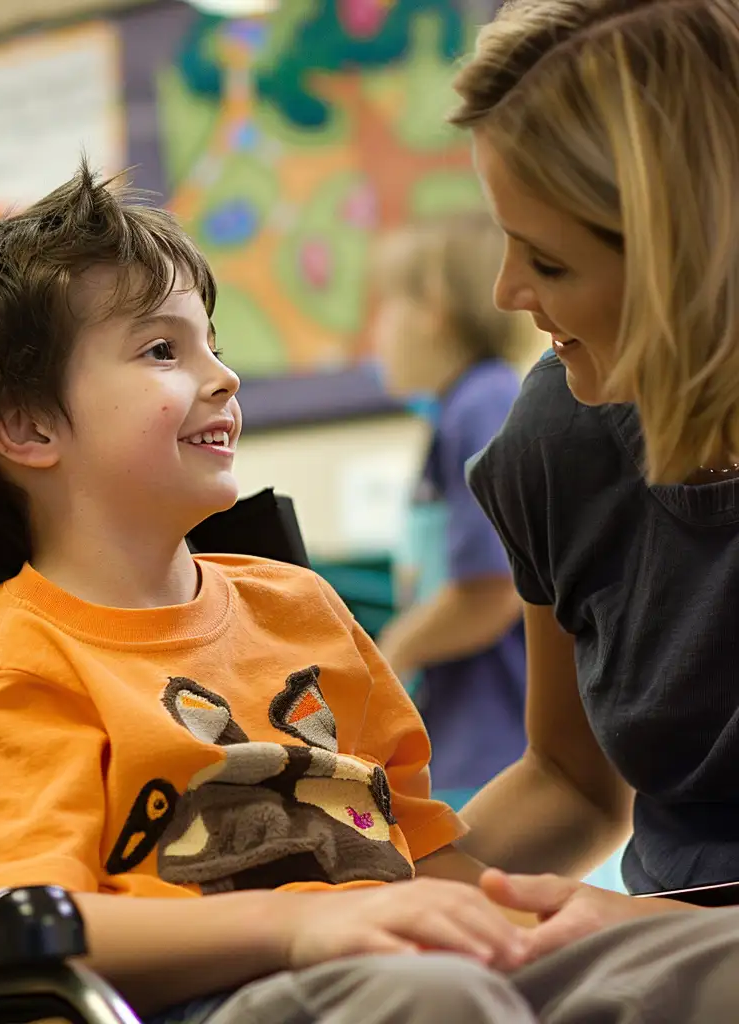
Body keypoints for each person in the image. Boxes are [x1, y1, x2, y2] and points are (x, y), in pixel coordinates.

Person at [0, 161, 545, 1022]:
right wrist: (295, 930)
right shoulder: (16, 664)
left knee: (672, 964)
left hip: (397, 967)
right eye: (162, 349)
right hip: (212, 997)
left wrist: (544, 928)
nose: (224, 376)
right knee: (440, 998)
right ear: (28, 426)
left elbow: (423, 855)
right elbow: (16, 927)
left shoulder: (303, 608)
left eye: (214, 342)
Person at [436, 0, 739, 960]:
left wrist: (659, 928)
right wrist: (391, 898)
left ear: (685, 258)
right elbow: (570, 778)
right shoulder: (555, 442)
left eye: (551, 261)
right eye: (507, 241)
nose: (506, 294)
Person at [371, 212, 530, 804]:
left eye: (387, 307)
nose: (377, 332)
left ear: (433, 309)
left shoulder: (482, 404)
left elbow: (491, 589)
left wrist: (392, 654)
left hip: (498, 744)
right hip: (468, 736)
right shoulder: (457, 412)